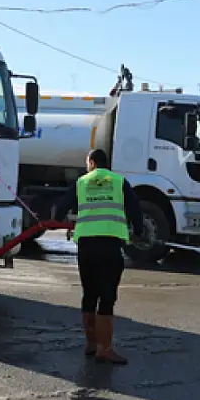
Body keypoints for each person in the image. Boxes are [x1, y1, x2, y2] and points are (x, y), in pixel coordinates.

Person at [53, 149, 143, 365]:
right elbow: (136, 212)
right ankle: (105, 348)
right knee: (107, 297)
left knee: (89, 295)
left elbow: (59, 212)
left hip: (86, 247)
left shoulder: (81, 183)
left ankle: (91, 344)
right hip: (110, 246)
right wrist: (138, 232)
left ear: (92, 163)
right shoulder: (120, 182)